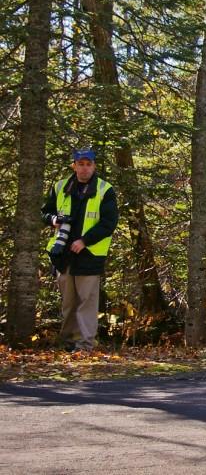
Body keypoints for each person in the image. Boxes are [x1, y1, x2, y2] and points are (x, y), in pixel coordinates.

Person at [42, 148, 118, 352]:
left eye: (88, 164)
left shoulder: (105, 189)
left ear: (94, 166)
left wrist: (84, 241)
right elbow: (45, 213)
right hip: (63, 255)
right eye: (80, 164)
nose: (84, 168)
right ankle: (66, 343)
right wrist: (54, 220)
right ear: (74, 166)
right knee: (68, 303)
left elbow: (109, 223)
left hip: (89, 255)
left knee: (87, 303)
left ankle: (84, 346)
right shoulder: (60, 187)